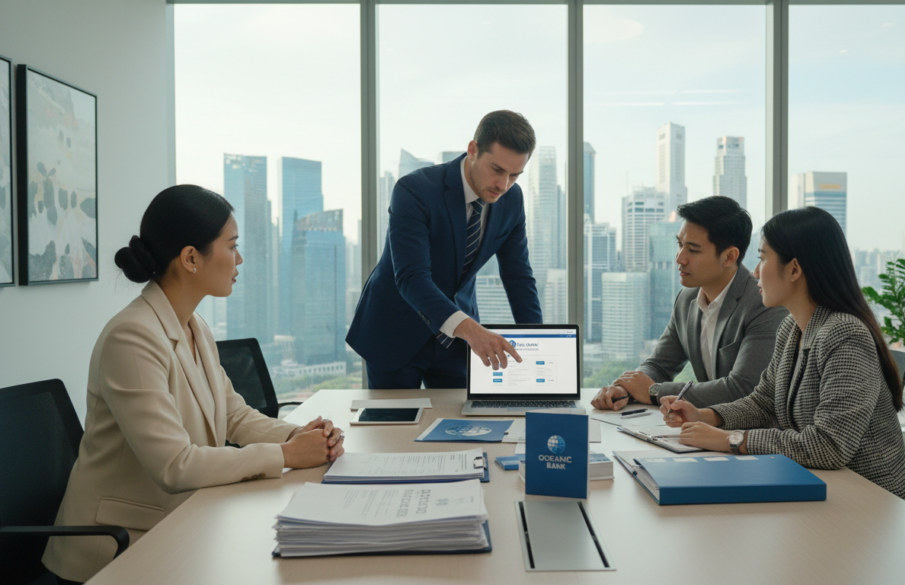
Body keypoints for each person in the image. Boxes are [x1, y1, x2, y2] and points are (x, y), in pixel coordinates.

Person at [42, 186, 345, 584]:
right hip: (115, 552)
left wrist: (302, 435)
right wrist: (287, 453)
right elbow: (175, 464)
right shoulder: (131, 337)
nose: (239, 259)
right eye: (231, 246)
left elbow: (234, 415)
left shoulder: (194, 326)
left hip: (184, 525)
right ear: (190, 258)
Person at [660, 206, 905, 510]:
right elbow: (763, 402)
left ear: (794, 269)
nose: (755, 272)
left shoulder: (845, 336)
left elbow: (828, 447)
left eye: (762, 258)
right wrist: (705, 416)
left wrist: (730, 440)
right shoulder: (792, 328)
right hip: (827, 496)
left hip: (879, 510)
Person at [347, 110, 543, 389]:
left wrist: (540, 344)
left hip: (458, 342)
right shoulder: (414, 190)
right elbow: (412, 278)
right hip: (396, 332)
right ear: (473, 150)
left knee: (462, 426)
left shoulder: (511, 199)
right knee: (395, 429)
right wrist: (475, 332)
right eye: (497, 170)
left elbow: (518, 277)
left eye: (515, 175)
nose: (504, 185)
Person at [592, 196, 787, 411]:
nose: (679, 258)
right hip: (701, 427)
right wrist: (625, 389)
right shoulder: (687, 299)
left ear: (730, 256)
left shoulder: (763, 304)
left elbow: (743, 389)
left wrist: (654, 391)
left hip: (748, 436)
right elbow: (659, 365)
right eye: (679, 244)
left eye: (692, 250)